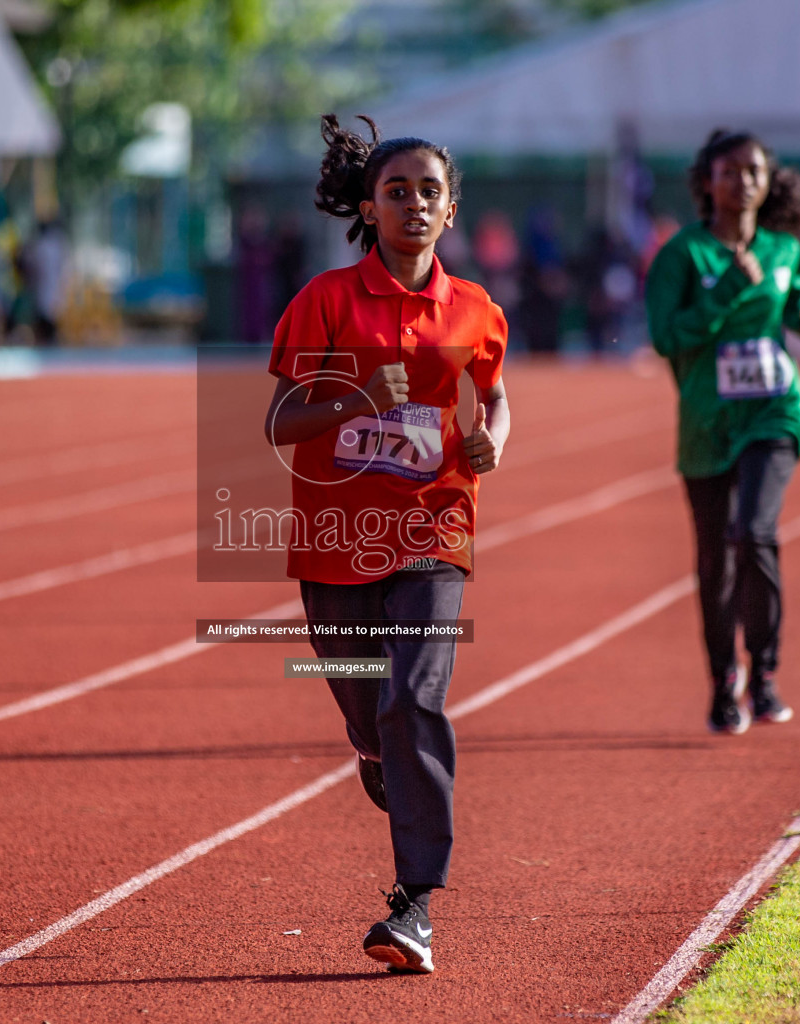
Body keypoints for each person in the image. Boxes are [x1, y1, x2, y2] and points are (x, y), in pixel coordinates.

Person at [264, 114, 509, 974]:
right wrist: (357, 397)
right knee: (371, 709)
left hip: (435, 527)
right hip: (336, 537)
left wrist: (494, 441)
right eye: (396, 191)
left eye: (429, 193)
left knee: (415, 696)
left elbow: (495, 395)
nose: (413, 204)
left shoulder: (476, 310)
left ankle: (415, 905)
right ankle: (376, 752)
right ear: (368, 207)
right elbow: (279, 422)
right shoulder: (324, 301)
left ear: (451, 210)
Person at [644, 128, 800, 736]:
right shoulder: (682, 256)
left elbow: (793, 289)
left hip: (774, 410)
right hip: (706, 422)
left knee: (754, 531)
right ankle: (724, 680)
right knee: (714, 564)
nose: (743, 181)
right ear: (707, 182)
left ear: (767, 180)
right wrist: (726, 288)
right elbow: (668, 338)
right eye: (730, 170)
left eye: (754, 170)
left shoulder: (783, 248)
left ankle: (766, 673)